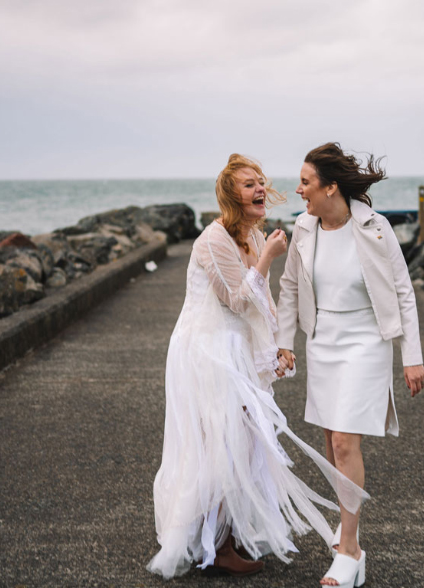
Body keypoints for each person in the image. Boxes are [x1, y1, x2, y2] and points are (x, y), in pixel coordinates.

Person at [148, 153, 368, 580]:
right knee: (220, 444)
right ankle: (218, 547)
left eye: (260, 182)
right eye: (249, 185)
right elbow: (235, 299)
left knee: (243, 442)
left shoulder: (251, 233)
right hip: (207, 350)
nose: (260, 189)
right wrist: (267, 256)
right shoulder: (214, 239)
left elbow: (261, 301)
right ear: (232, 195)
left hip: (236, 347)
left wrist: (280, 347)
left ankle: (221, 535)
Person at [276, 143, 424, 587]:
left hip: (366, 342)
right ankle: (353, 546)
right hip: (323, 341)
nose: (299, 190)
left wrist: (411, 357)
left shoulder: (375, 226)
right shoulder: (305, 227)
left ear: (331, 187)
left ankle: (348, 548)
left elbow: (402, 291)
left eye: (306, 182)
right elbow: (289, 288)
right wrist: (284, 342)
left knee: (344, 442)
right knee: (331, 443)